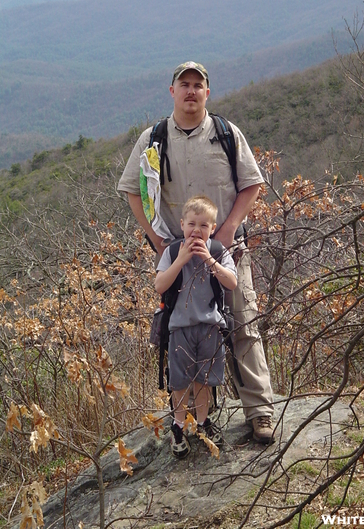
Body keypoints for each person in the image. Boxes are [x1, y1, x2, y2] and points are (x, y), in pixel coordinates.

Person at [118, 60, 275, 444]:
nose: (191, 91)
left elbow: (252, 184)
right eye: (183, 84)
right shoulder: (153, 139)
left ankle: (260, 413)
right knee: (180, 333)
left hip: (227, 252)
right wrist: (157, 240)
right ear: (172, 91)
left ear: (208, 92)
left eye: (198, 85)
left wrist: (229, 228)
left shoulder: (225, 133)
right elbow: (131, 190)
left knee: (242, 325)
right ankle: (189, 423)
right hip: (179, 259)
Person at [155, 195, 237, 457]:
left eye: (203, 225)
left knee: (204, 380)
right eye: (191, 224)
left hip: (210, 326)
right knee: (179, 381)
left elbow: (231, 283)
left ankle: (202, 422)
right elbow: (159, 285)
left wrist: (210, 261)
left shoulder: (217, 250)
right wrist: (181, 260)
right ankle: (178, 426)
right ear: (182, 225)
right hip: (180, 327)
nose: (196, 230)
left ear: (212, 228)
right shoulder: (171, 251)